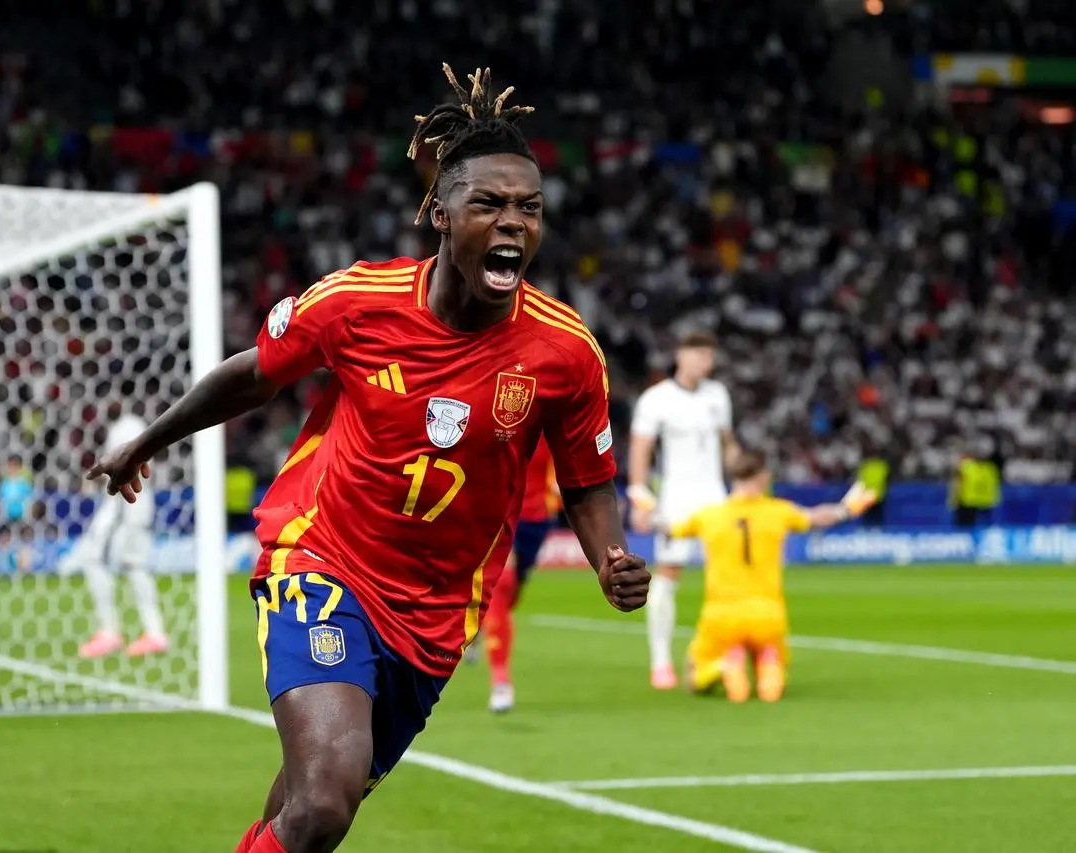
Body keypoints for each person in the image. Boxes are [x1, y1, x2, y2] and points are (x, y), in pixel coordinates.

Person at [87, 64, 651, 853]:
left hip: (435, 613)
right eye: (489, 204)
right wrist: (146, 441)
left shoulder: (564, 352)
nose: (513, 223)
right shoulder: (354, 302)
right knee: (323, 803)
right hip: (321, 562)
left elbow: (587, 478)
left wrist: (609, 556)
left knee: (299, 812)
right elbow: (251, 374)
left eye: (530, 208)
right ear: (440, 214)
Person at [656, 449, 876, 703]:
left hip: (721, 615)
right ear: (763, 478)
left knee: (694, 677)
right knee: (771, 651)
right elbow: (817, 518)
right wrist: (847, 509)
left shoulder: (709, 515)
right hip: (768, 615)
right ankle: (769, 666)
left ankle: (724, 667)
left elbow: (668, 529)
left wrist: (648, 512)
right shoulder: (778, 512)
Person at [627, 331, 739, 690]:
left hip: (716, 496)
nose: (704, 361)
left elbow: (727, 444)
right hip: (676, 496)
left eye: (709, 355)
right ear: (680, 355)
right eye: (698, 354)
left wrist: (743, 481)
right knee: (669, 572)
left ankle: (722, 652)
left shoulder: (718, 395)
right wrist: (639, 494)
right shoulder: (657, 399)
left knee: (726, 577)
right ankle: (660, 660)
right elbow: (641, 449)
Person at [64, 402, 168, 659]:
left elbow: (122, 466)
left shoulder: (124, 428)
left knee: (92, 557)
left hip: (124, 505)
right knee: (134, 565)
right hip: (140, 504)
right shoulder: (137, 425)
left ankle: (109, 632)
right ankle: (154, 633)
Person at [484, 439, 560, 713]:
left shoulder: (549, 416)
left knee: (510, 594)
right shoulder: (500, 413)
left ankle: (479, 623)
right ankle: (501, 680)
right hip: (498, 512)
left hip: (536, 518)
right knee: (502, 583)